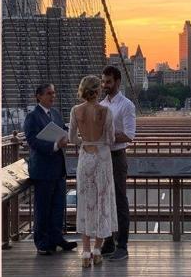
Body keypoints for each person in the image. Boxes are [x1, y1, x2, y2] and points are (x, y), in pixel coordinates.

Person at [68, 75, 118, 268]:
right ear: (98, 91)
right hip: (102, 158)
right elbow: (111, 139)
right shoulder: (106, 111)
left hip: (85, 159)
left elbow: (72, 138)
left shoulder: (75, 111)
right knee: (102, 202)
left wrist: (84, 142)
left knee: (85, 203)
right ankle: (98, 250)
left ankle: (85, 251)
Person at [24, 84, 77, 255]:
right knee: (43, 208)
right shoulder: (32, 117)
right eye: (49, 94)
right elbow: (32, 141)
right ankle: (42, 243)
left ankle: (56, 238)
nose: (53, 96)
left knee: (57, 207)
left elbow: (64, 130)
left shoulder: (55, 114)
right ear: (38, 96)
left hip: (58, 169)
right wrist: (55, 145)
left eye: (54, 93)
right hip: (43, 170)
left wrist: (69, 135)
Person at [99, 65, 136, 261]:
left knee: (120, 200)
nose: (105, 85)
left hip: (117, 157)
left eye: (109, 82)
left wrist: (108, 137)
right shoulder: (101, 105)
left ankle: (122, 246)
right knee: (104, 201)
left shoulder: (127, 105)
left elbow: (129, 135)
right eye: (103, 81)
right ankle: (108, 242)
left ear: (118, 82)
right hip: (102, 157)